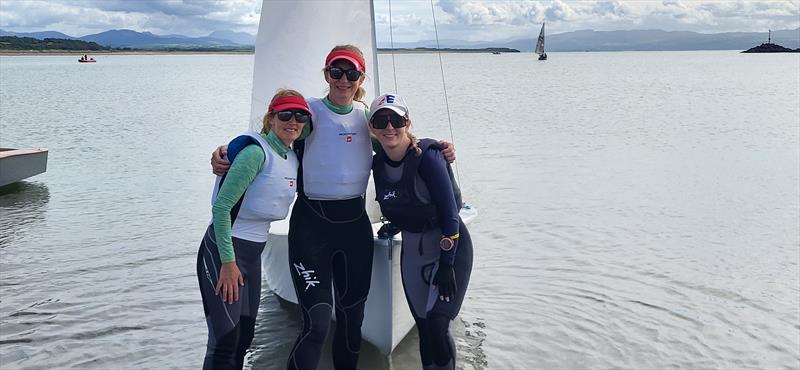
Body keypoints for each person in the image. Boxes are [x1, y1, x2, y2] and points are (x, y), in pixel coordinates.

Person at [211, 45, 456, 370]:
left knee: (353, 320)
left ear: (361, 78)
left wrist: (438, 148)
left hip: (353, 228)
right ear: (326, 75)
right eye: (336, 72)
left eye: (351, 73)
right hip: (311, 227)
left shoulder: (366, 117)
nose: (344, 79)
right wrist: (231, 149)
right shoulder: (309, 113)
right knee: (317, 323)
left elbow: (396, 137)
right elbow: (276, 137)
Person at [198, 89, 311, 370]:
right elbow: (222, 208)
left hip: (252, 254)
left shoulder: (292, 156)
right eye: (285, 114)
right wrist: (228, 262)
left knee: (244, 337)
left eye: (300, 115)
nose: (293, 121)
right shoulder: (255, 153)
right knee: (225, 339)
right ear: (271, 118)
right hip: (225, 250)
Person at [367, 93, 473, 370]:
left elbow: (450, 215)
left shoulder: (428, 156)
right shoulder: (377, 164)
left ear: (408, 123)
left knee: (438, 324)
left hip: (449, 248)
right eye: (381, 120)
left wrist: (447, 264)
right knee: (425, 329)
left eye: (396, 120)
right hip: (413, 252)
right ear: (372, 128)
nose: (389, 127)